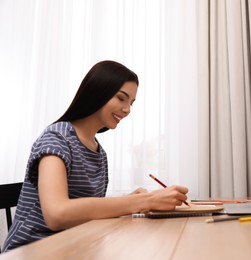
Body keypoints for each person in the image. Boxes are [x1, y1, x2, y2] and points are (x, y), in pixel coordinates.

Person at [2, 60, 189, 252]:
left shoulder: (99, 153)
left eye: (131, 103)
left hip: (73, 247)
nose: (127, 109)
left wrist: (128, 200)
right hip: (32, 251)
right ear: (98, 92)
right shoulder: (57, 138)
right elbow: (57, 214)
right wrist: (143, 201)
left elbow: (85, 214)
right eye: (121, 98)